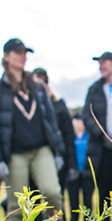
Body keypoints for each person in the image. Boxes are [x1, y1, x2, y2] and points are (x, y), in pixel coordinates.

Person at [0, 39, 65, 221]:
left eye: (24, 53)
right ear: (6, 56)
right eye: (18, 53)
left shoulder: (37, 86)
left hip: (41, 149)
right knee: (17, 205)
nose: (22, 57)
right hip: (14, 153)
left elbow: (50, 120)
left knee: (52, 193)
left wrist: (58, 151)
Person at [83, 51, 112, 217]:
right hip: (101, 150)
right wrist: (102, 135)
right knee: (103, 194)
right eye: (99, 63)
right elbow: (87, 116)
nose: (101, 66)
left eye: (104, 62)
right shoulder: (94, 89)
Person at [32, 68, 77, 204]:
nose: (42, 84)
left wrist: (72, 165)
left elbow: (69, 136)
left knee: (56, 196)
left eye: (44, 81)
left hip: (59, 158)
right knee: (35, 199)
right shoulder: (30, 106)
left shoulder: (59, 105)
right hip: (36, 157)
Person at [67, 112, 95, 221]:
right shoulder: (70, 136)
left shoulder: (88, 136)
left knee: (88, 202)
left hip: (87, 173)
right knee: (73, 203)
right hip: (73, 173)